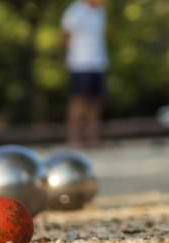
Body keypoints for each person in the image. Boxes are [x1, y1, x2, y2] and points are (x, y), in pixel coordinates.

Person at [62, 0, 108, 148]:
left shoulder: (100, 12)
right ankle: (74, 140)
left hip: (98, 63)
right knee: (79, 102)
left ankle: (92, 139)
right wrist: (68, 56)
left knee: (96, 102)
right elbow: (65, 33)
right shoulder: (77, 10)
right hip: (80, 64)